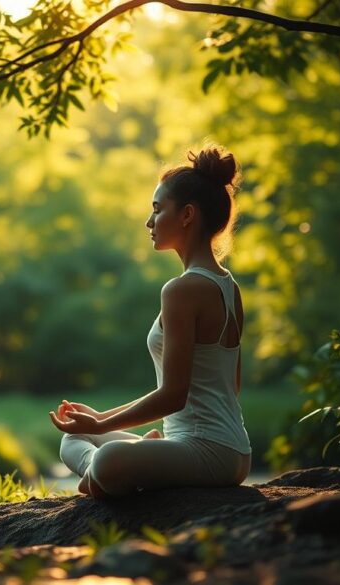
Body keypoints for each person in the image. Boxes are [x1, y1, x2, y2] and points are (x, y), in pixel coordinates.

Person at [49, 144, 252, 498]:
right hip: (233, 451)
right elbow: (229, 387)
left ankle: (103, 476)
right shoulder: (228, 286)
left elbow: (173, 395)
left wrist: (101, 422)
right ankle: (120, 468)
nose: (149, 221)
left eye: (158, 210)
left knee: (108, 457)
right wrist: (97, 418)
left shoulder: (182, 290)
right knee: (74, 436)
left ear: (187, 215)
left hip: (208, 452)